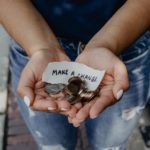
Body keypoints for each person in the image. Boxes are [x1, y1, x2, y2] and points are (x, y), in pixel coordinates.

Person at [0, 0, 150, 149]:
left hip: (125, 43)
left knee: (110, 146)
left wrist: (107, 44)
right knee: (53, 146)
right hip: (32, 45)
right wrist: (41, 48)